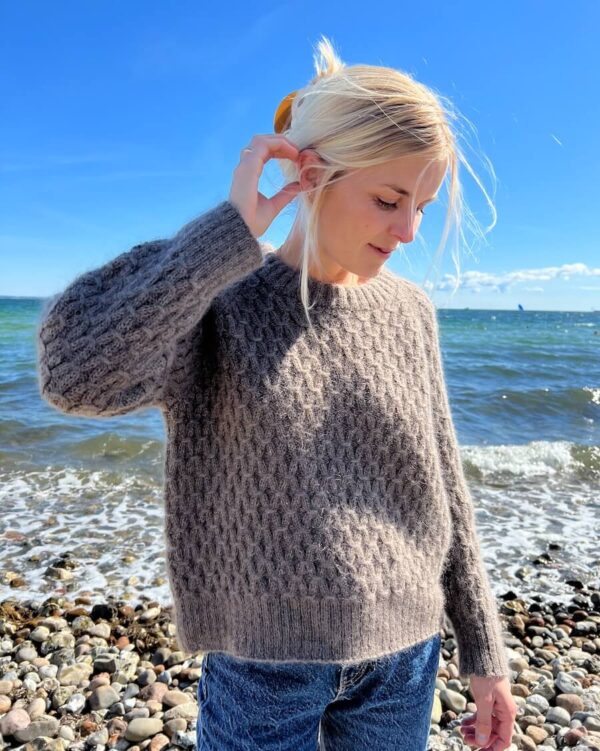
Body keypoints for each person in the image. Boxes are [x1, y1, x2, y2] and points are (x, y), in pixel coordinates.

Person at [36, 34, 517, 751]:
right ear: (314, 173)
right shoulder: (221, 296)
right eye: (389, 199)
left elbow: (446, 487)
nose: (409, 229)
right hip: (263, 667)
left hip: (406, 657)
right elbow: (75, 375)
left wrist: (484, 655)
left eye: (422, 204)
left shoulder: (411, 311)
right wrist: (223, 238)